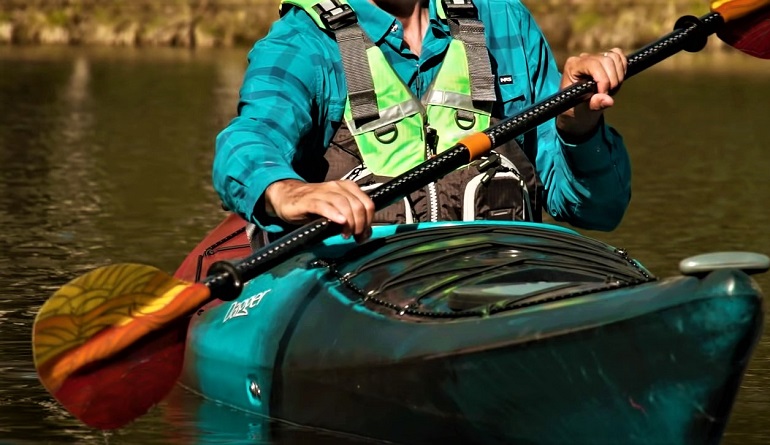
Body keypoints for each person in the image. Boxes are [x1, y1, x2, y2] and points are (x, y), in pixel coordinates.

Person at [212, 0, 631, 246]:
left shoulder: (504, 21)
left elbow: (598, 211)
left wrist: (578, 127)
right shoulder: (303, 41)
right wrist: (286, 191)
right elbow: (249, 140)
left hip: (503, 289)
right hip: (358, 301)